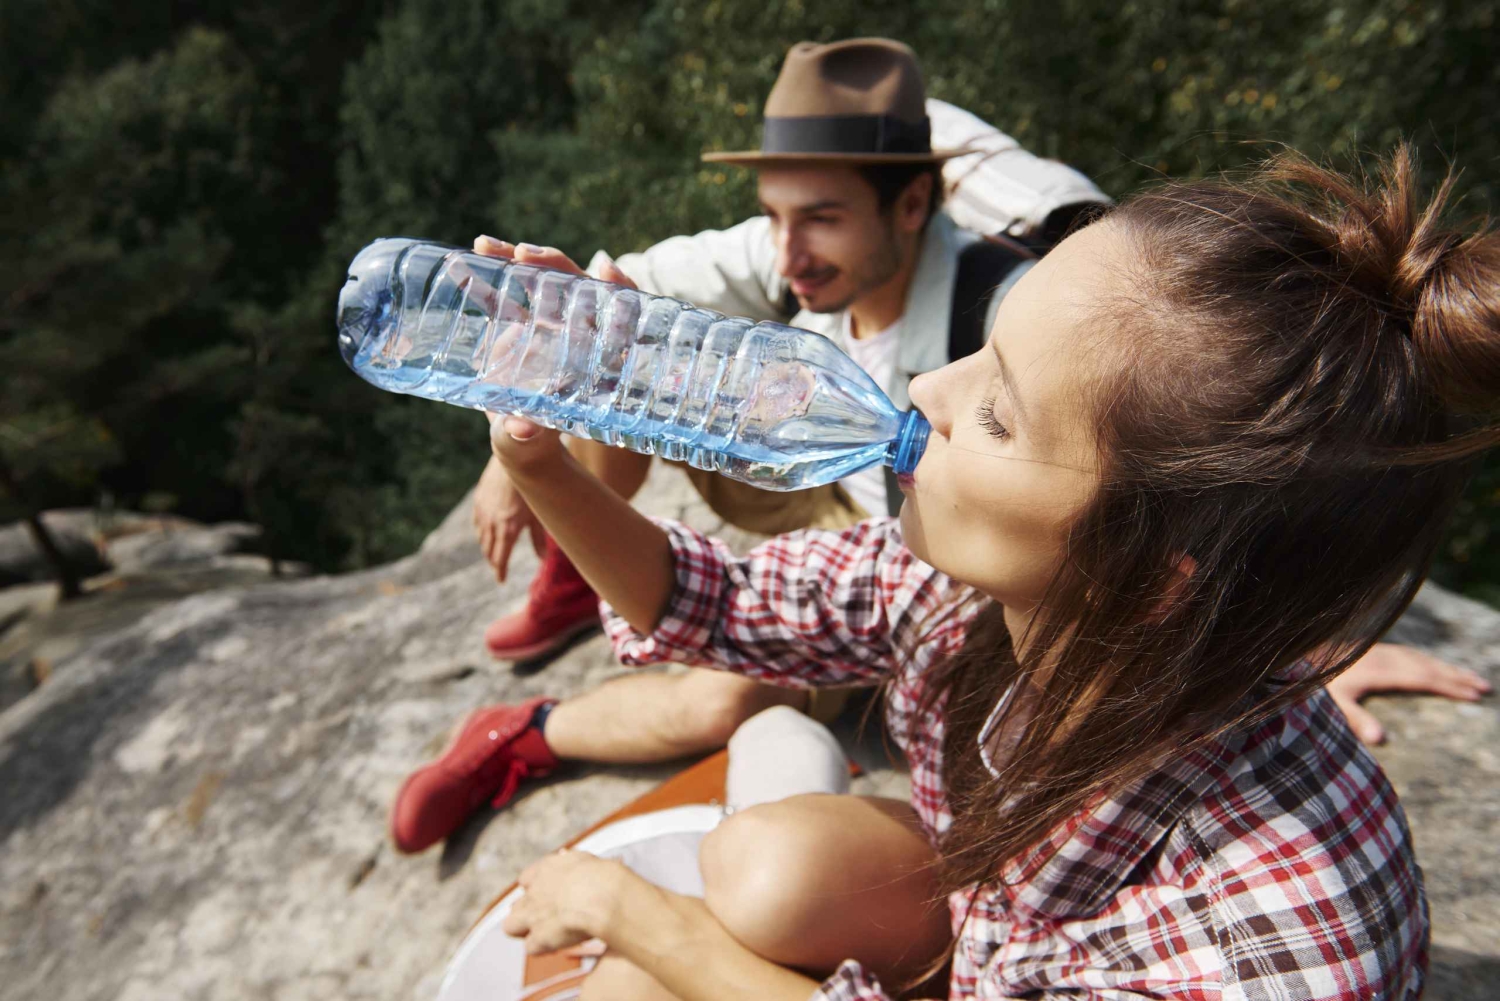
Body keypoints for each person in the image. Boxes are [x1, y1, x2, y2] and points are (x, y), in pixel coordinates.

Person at [388, 39, 1491, 856]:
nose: (787, 247)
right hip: (876, 499)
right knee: (624, 371)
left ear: (918, 203)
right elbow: (695, 553)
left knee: (740, 706)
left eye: (819, 216)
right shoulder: (806, 272)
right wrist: (529, 450)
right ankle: (566, 581)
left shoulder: (1045, 320)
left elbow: (1223, 464)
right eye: (775, 215)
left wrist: (1295, 640)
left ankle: (529, 730)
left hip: (907, 500)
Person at [493, 142, 1489, 999]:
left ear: (1148, 579)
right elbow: (713, 599)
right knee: (770, 869)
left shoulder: (1269, 934)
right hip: (996, 942)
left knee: (635, 970)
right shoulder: (990, 591)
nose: (929, 388)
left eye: (1001, 412)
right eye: (981, 352)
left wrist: (640, 918)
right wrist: (547, 456)